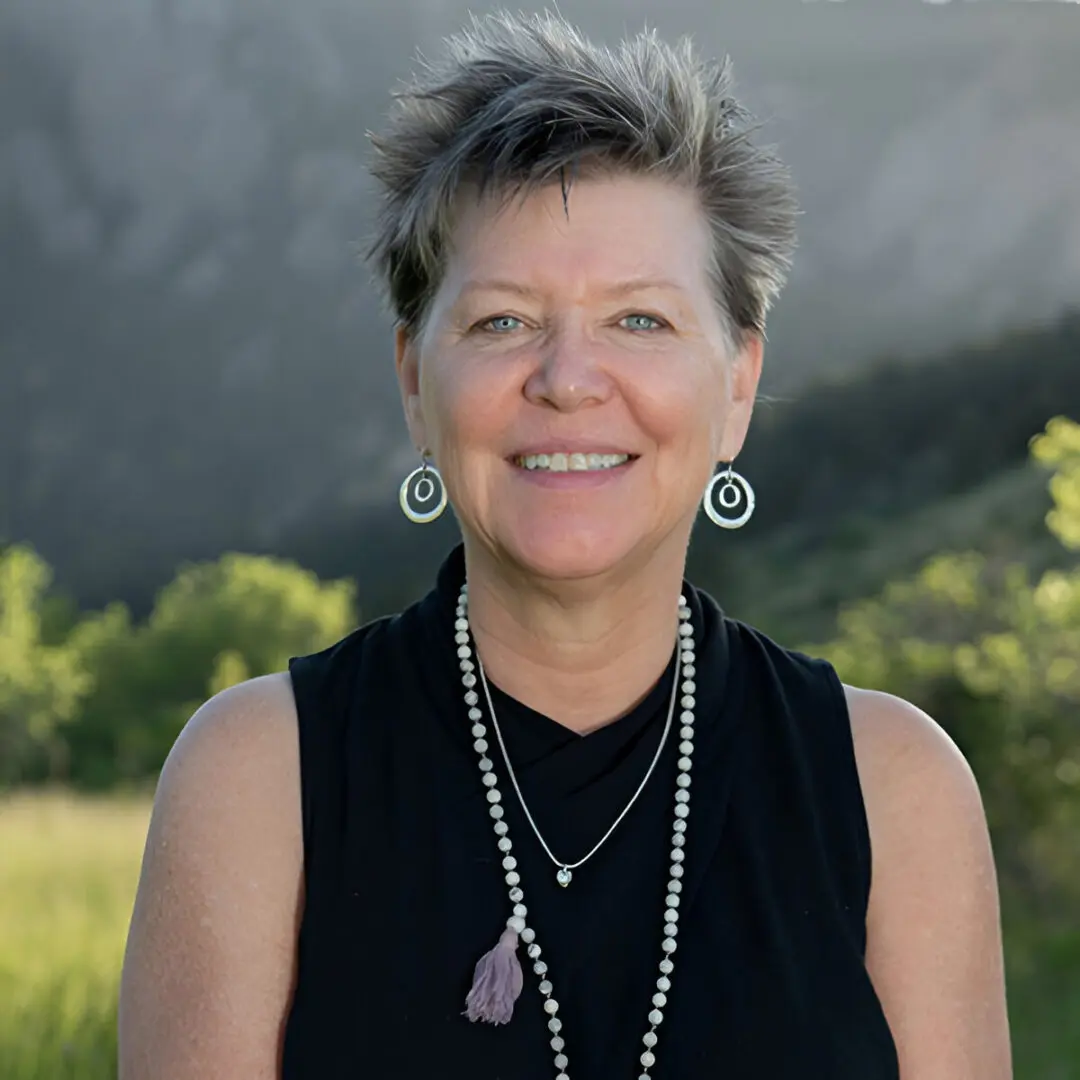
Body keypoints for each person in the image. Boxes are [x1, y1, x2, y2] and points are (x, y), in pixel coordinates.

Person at [117, 11, 1012, 1080]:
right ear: (414, 381)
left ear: (737, 385)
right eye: (502, 321)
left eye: (641, 320)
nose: (569, 377)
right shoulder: (258, 777)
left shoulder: (895, 791)